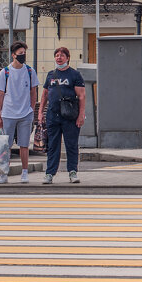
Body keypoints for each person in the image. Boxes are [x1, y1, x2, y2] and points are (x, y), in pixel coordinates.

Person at [38, 46, 85, 184]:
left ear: (68, 58)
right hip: (53, 115)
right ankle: (49, 173)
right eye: (57, 55)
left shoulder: (74, 75)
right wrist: (41, 112)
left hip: (70, 116)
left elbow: (82, 96)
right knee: (53, 145)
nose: (59, 58)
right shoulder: (51, 75)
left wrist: (81, 115)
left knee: (71, 144)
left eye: (62, 55)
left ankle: (72, 172)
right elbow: (45, 94)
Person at [0, 41, 38, 184]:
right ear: (13, 55)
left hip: (25, 114)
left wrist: (31, 109)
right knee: (5, 145)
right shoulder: (5, 72)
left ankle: (24, 172)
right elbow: (0, 95)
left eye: (24, 54)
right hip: (8, 114)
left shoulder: (30, 71)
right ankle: (3, 173)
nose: (23, 56)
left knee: (24, 145)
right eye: (20, 54)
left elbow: (33, 92)